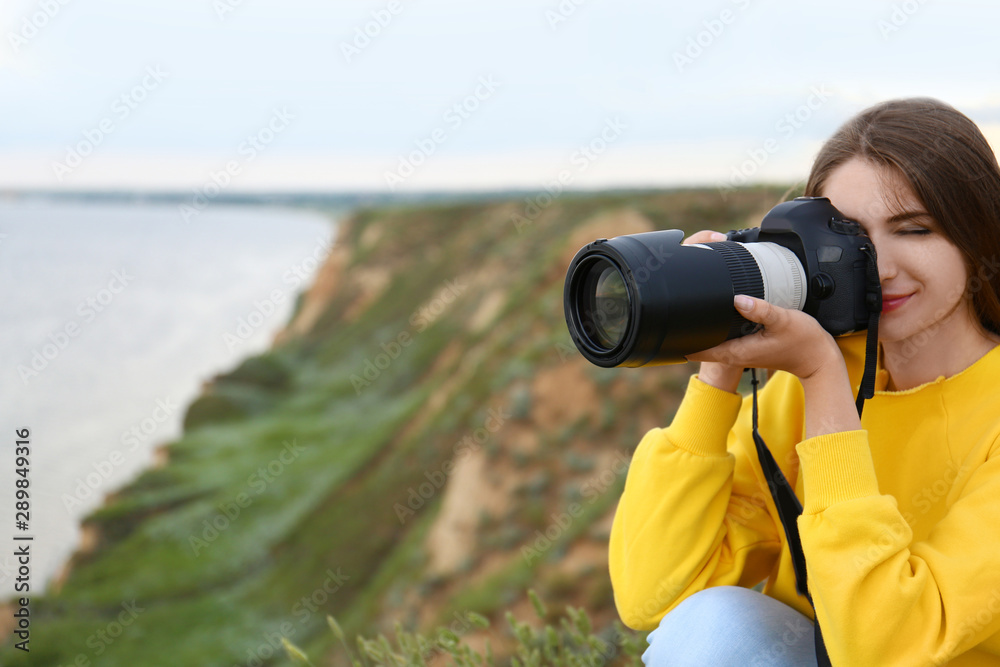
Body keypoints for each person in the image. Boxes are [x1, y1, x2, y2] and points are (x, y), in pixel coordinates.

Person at [609, 97, 1000, 666]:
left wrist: (823, 385)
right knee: (713, 624)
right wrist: (719, 368)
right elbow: (655, 598)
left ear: (977, 233)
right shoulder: (807, 384)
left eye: (913, 230)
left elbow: (883, 650)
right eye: (852, 238)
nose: (880, 267)